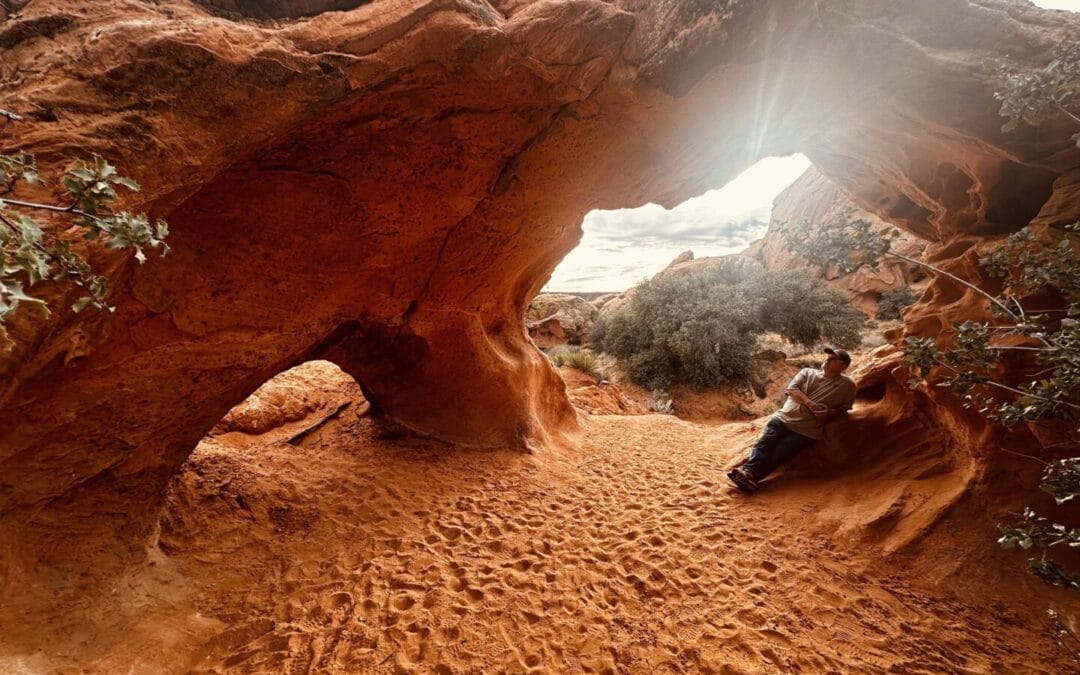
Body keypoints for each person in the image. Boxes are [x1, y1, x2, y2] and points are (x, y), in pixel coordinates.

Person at [727, 347, 855, 492]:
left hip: (807, 430)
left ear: (843, 366)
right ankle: (749, 475)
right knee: (763, 446)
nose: (827, 359)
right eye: (827, 357)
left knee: (780, 454)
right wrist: (810, 403)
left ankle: (748, 475)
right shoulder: (807, 372)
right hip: (783, 418)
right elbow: (792, 390)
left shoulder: (848, 385)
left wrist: (829, 413)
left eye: (833, 359)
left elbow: (845, 408)